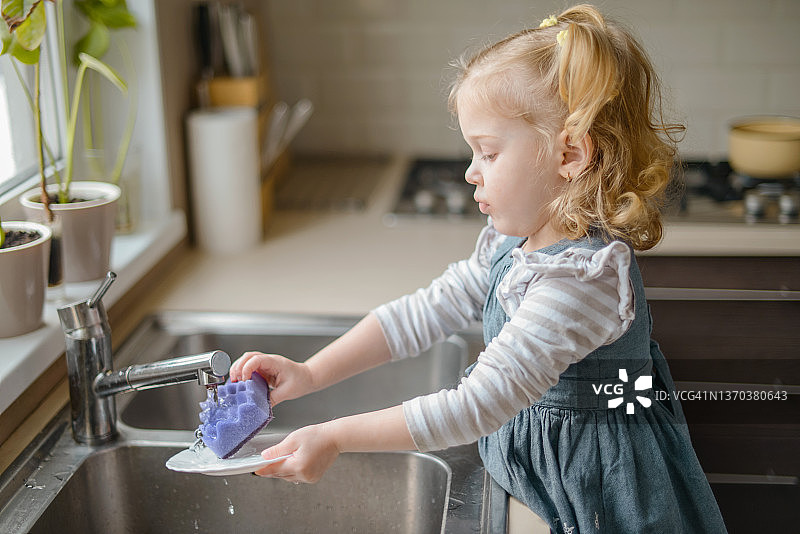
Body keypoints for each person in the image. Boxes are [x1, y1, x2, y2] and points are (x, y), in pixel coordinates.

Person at [229, 4, 727, 532]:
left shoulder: (582, 282)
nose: (470, 172)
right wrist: (310, 373)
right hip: (541, 478)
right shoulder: (514, 241)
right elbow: (427, 311)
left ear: (570, 156)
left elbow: (475, 406)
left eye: (488, 152)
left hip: (600, 495)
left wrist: (333, 436)